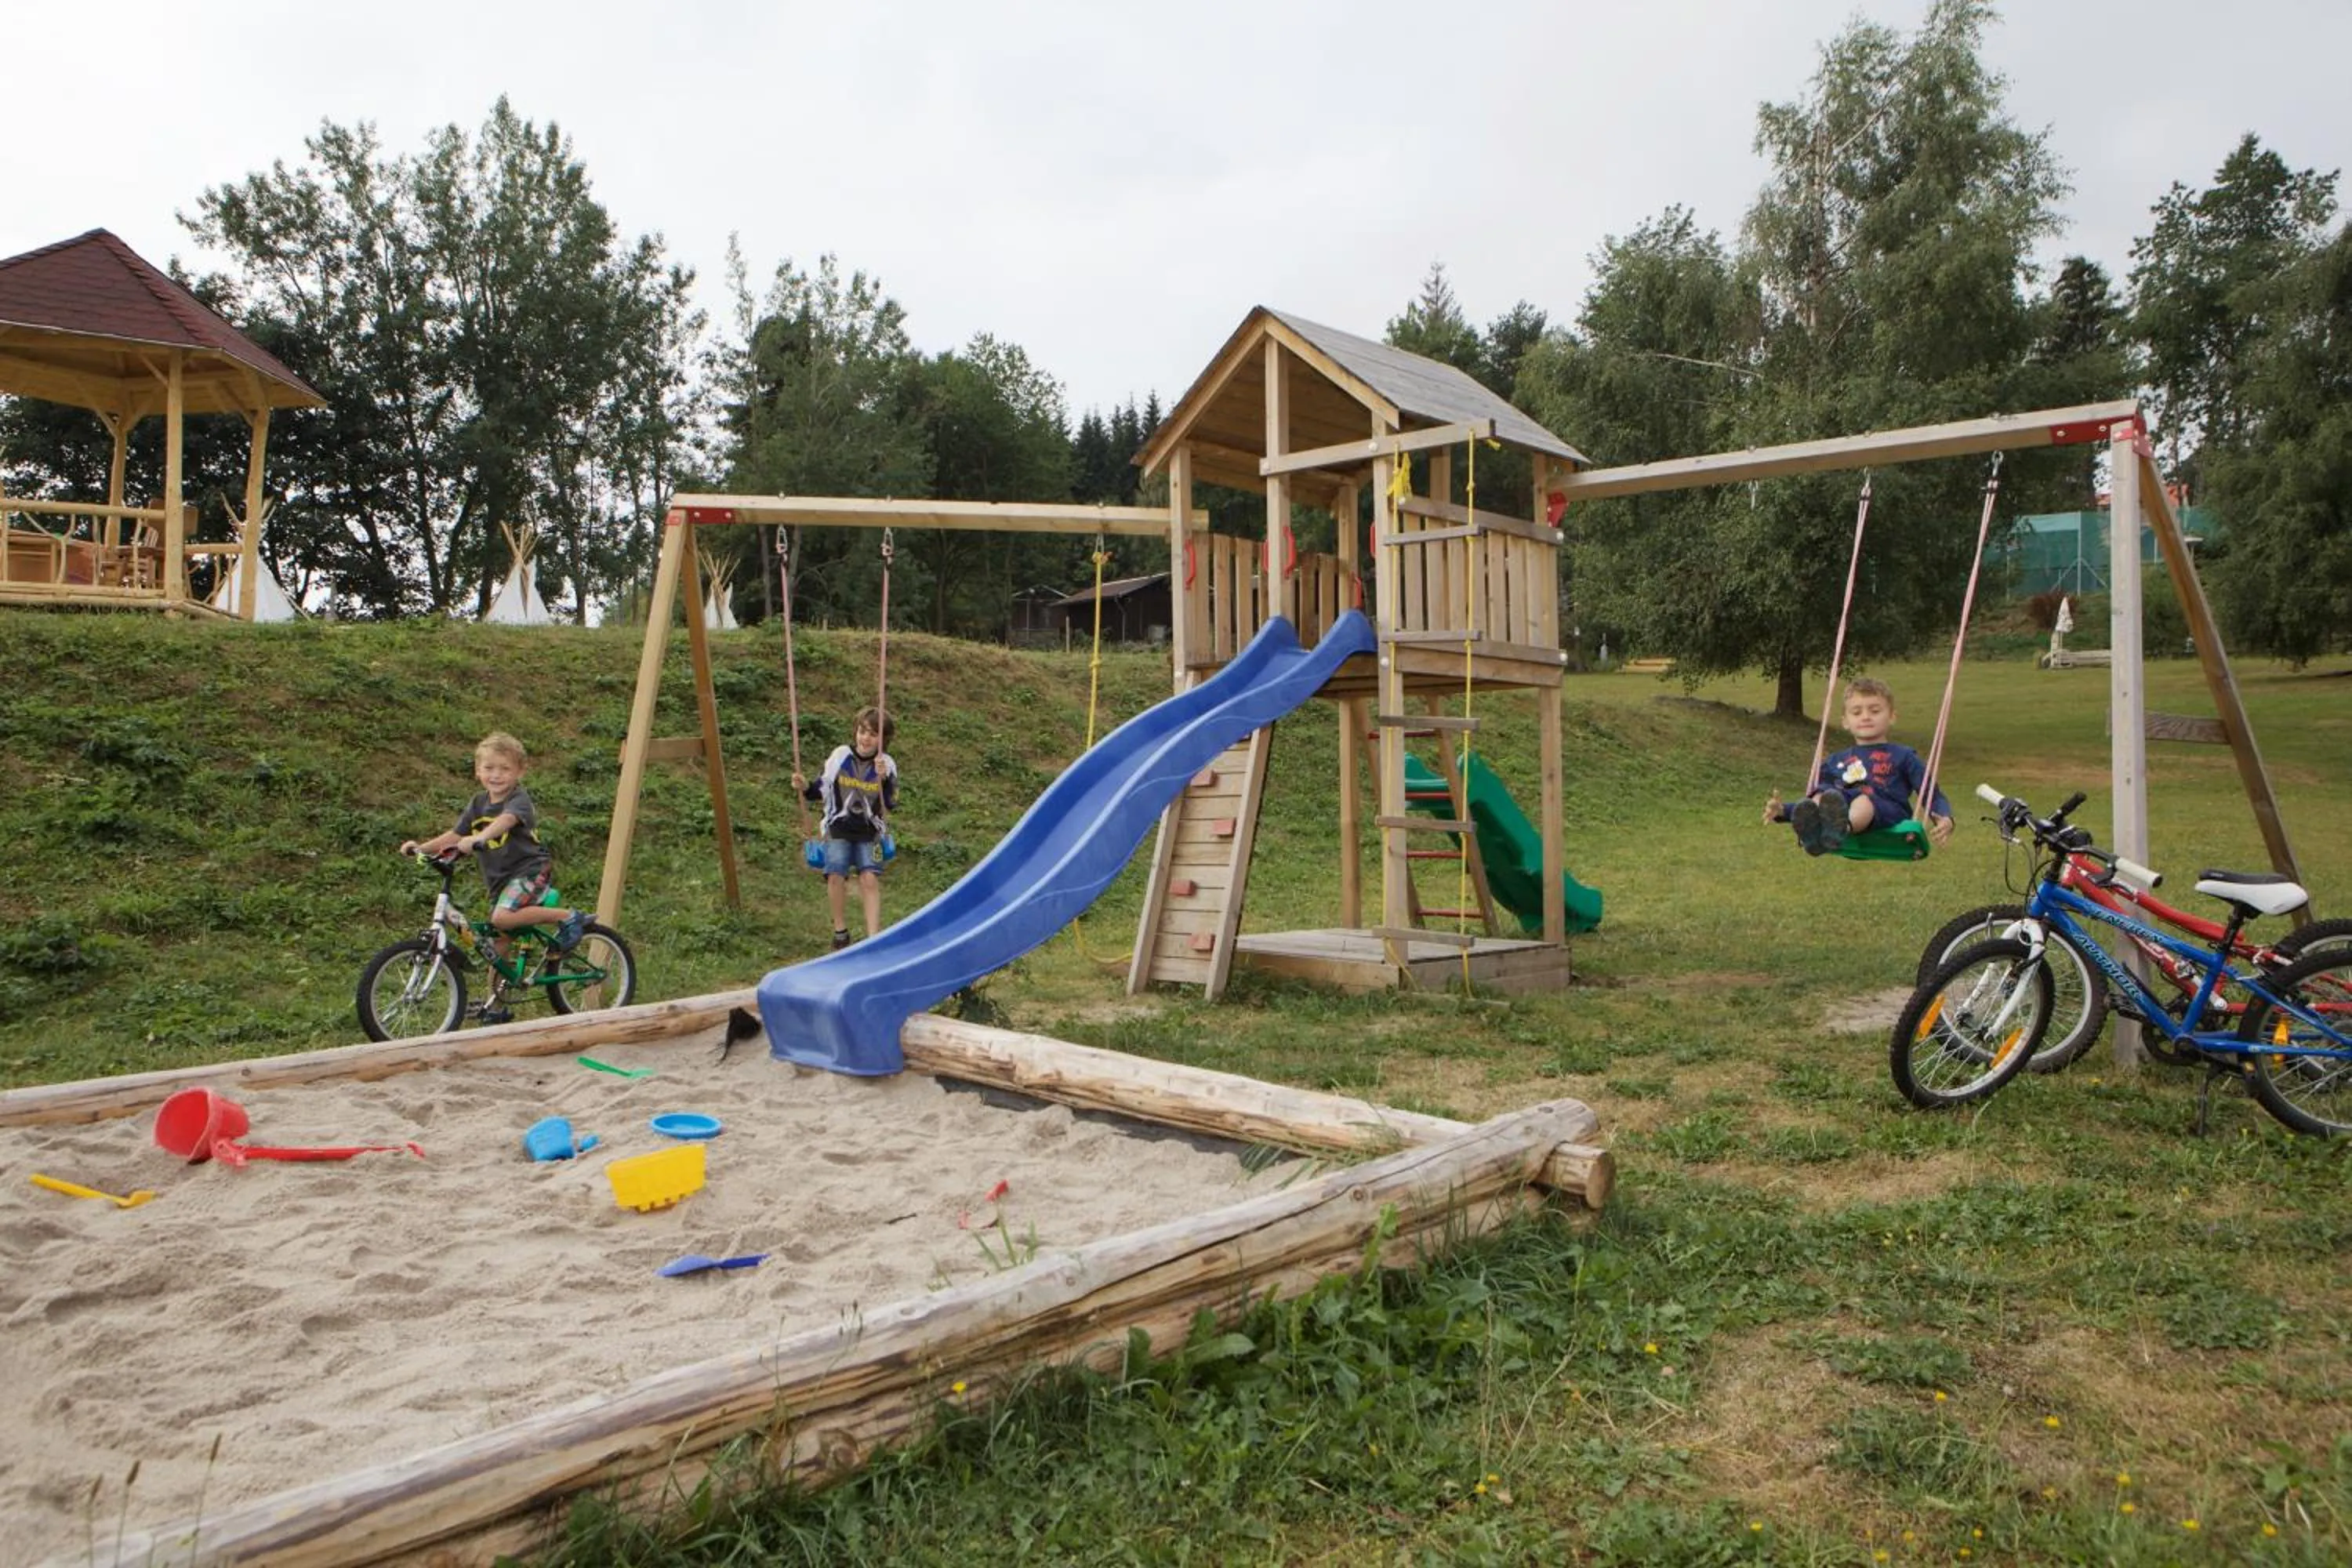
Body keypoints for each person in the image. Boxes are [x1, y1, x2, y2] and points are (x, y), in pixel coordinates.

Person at [400, 731, 589, 963]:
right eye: (489, 768)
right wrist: (422, 848)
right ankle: (499, 989)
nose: (496, 775)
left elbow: (506, 820)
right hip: (499, 881)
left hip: (530, 872)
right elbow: (455, 835)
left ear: (520, 772)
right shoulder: (478, 803)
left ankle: (568, 917)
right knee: (497, 947)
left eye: (505, 769)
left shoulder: (518, 800)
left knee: (501, 918)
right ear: (478, 771)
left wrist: (479, 837)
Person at [1762, 677, 1954, 855]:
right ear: (1845, 721)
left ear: (1892, 717)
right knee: (1822, 795)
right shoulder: (1835, 761)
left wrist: (1944, 817)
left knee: (1862, 800)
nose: (1866, 717)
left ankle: (1839, 832)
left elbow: (1931, 794)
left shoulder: (1904, 756)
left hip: (1887, 812)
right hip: (1844, 808)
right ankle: (1814, 836)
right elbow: (1816, 804)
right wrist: (1782, 811)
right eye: (1857, 712)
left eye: (1875, 711)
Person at [797, 706, 898, 948]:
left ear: (883, 739)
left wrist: (884, 779)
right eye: (862, 731)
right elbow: (821, 788)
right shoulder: (841, 755)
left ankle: (874, 937)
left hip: (870, 831)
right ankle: (840, 931)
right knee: (835, 874)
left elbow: (891, 802)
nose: (866, 738)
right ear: (855, 731)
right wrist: (805, 787)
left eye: (873, 734)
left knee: (869, 878)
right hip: (838, 827)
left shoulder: (886, 764)